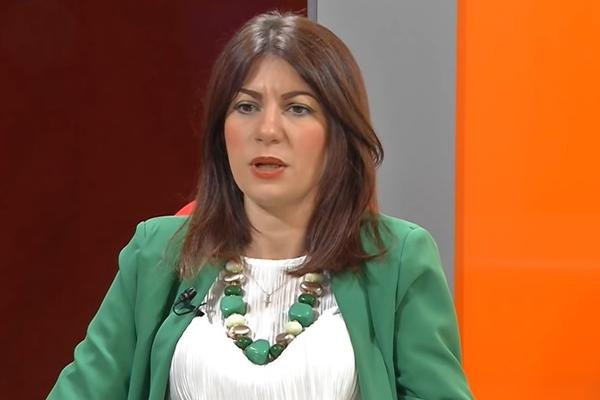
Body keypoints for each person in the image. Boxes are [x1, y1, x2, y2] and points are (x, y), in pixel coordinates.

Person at [48, 11, 473, 400]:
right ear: (221, 132)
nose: (267, 130)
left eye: (297, 108)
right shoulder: (157, 252)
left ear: (339, 134)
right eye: (246, 106)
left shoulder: (397, 259)